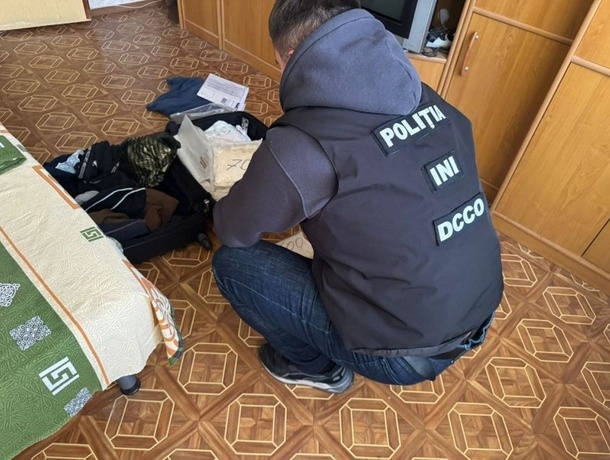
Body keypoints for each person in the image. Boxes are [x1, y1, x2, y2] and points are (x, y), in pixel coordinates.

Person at [211, 0, 504, 394]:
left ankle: (318, 369)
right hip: (479, 306)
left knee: (233, 264)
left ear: (292, 57)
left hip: (406, 352)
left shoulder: (300, 146)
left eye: (279, 62)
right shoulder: (430, 98)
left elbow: (233, 230)